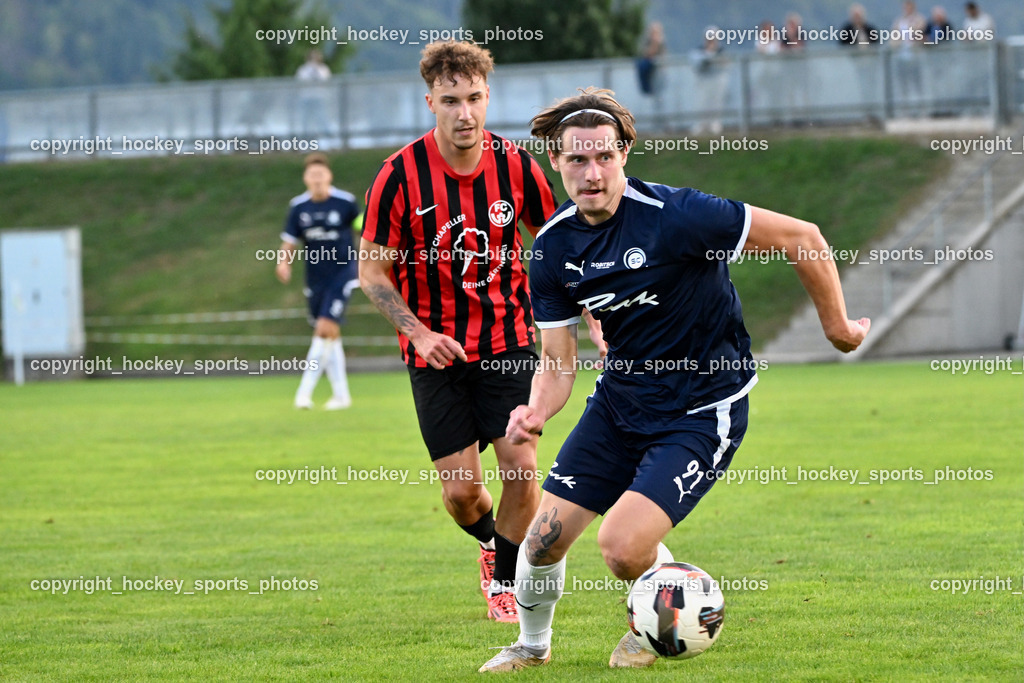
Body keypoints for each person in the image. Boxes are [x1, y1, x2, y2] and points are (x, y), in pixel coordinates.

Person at [478, 88, 869, 672]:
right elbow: (558, 361)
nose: (592, 172)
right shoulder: (554, 248)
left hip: (700, 407)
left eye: (604, 157)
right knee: (541, 540)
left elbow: (803, 237)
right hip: (620, 403)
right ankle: (531, 646)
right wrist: (536, 411)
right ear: (555, 161)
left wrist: (838, 328)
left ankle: (661, 624)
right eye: (577, 159)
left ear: (625, 154)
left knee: (621, 547)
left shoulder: (677, 216)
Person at [360, 41, 579, 624]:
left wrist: (591, 311)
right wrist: (419, 331)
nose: (465, 113)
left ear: (488, 97)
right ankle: (490, 542)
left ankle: (506, 578)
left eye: (475, 98)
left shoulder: (516, 166)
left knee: (523, 464)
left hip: (507, 344)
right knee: (461, 495)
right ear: (430, 100)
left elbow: (558, 243)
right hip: (434, 355)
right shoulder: (398, 176)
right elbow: (372, 270)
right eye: (451, 100)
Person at [275, 152, 359, 410]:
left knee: (323, 328)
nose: (317, 179)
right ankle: (342, 396)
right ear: (306, 179)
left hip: (343, 272)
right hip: (315, 277)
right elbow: (290, 240)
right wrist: (283, 262)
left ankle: (303, 393)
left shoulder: (345, 202)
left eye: (321, 174)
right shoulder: (299, 207)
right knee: (330, 335)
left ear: (329, 176)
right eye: (312, 175)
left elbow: (363, 230)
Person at [636, 21, 665, 96]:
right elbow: (646, 54)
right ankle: (646, 89)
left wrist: (656, 43)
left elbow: (662, 55)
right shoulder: (647, 41)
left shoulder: (661, 42)